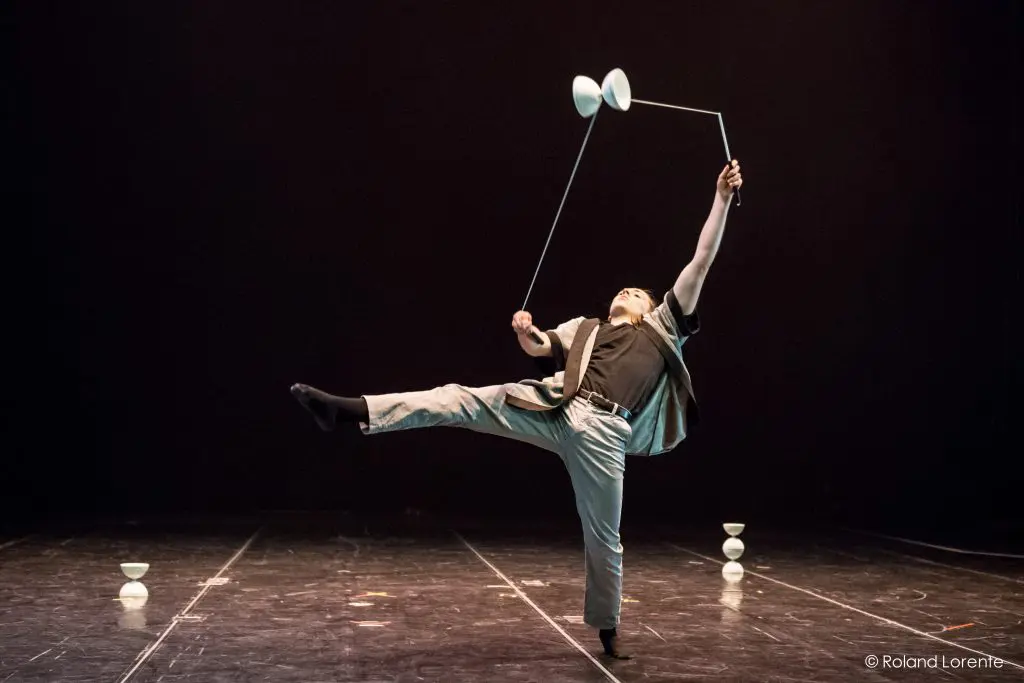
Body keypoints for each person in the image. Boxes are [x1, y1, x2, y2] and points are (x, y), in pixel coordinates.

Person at [291, 161, 743, 658]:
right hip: (554, 408)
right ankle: (352, 411)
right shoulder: (585, 328)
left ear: (647, 307)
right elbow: (539, 348)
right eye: (621, 289)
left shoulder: (664, 329)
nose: (624, 291)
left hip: (605, 436)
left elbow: (701, 260)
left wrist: (720, 197)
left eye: (634, 292)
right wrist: (528, 334)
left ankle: (608, 629)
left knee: (603, 538)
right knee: (459, 397)